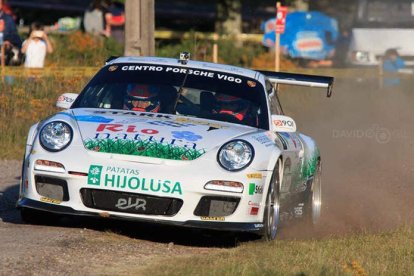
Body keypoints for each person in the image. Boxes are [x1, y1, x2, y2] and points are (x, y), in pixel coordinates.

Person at [0, 0, 22, 65]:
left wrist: (8, 41)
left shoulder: (8, 19)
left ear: (2, 5)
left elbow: (15, 36)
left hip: (5, 54)